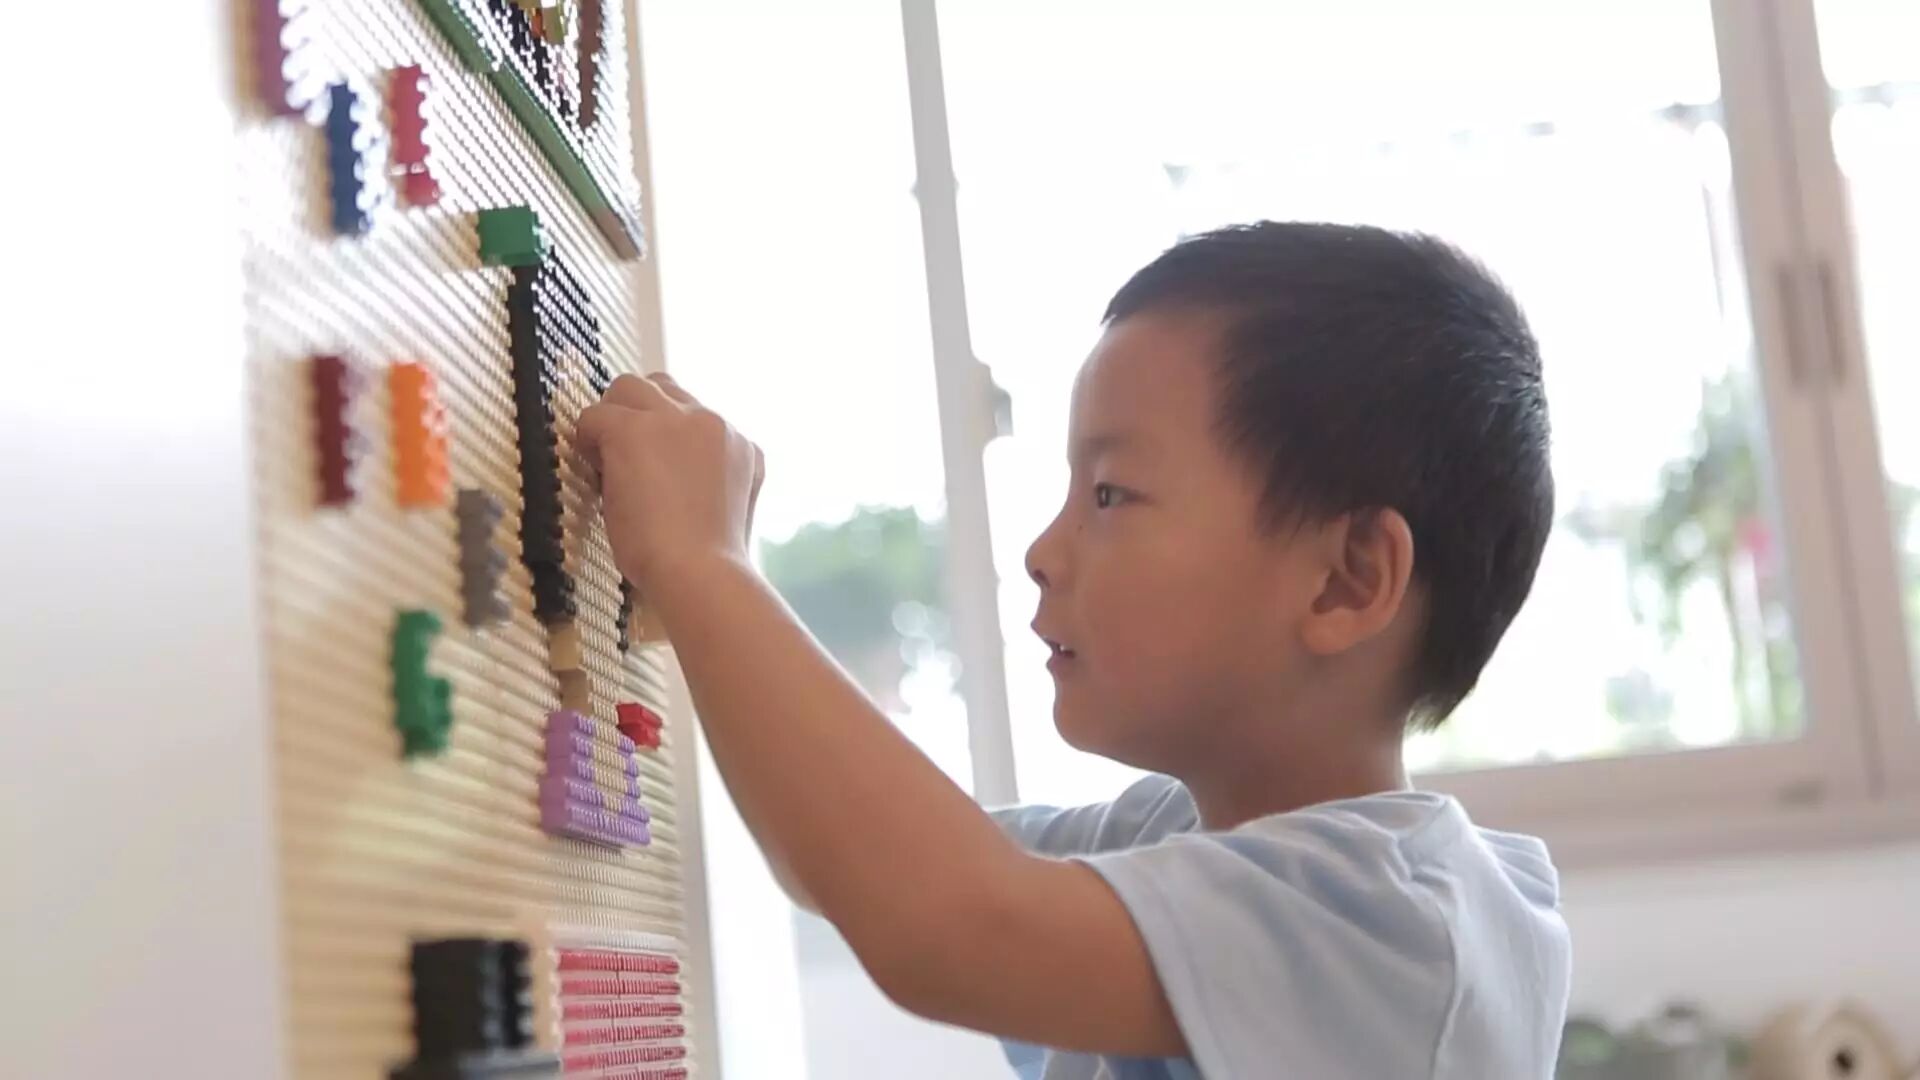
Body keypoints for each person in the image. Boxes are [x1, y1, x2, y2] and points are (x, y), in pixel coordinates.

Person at [577, 221, 1571, 1078]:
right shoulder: (1168, 833)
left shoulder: (1405, 924)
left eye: (1110, 495)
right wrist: (703, 569)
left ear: (1345, 580)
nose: (1044, 552)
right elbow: (848, 871)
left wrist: (707, 563)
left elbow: (947, 922)